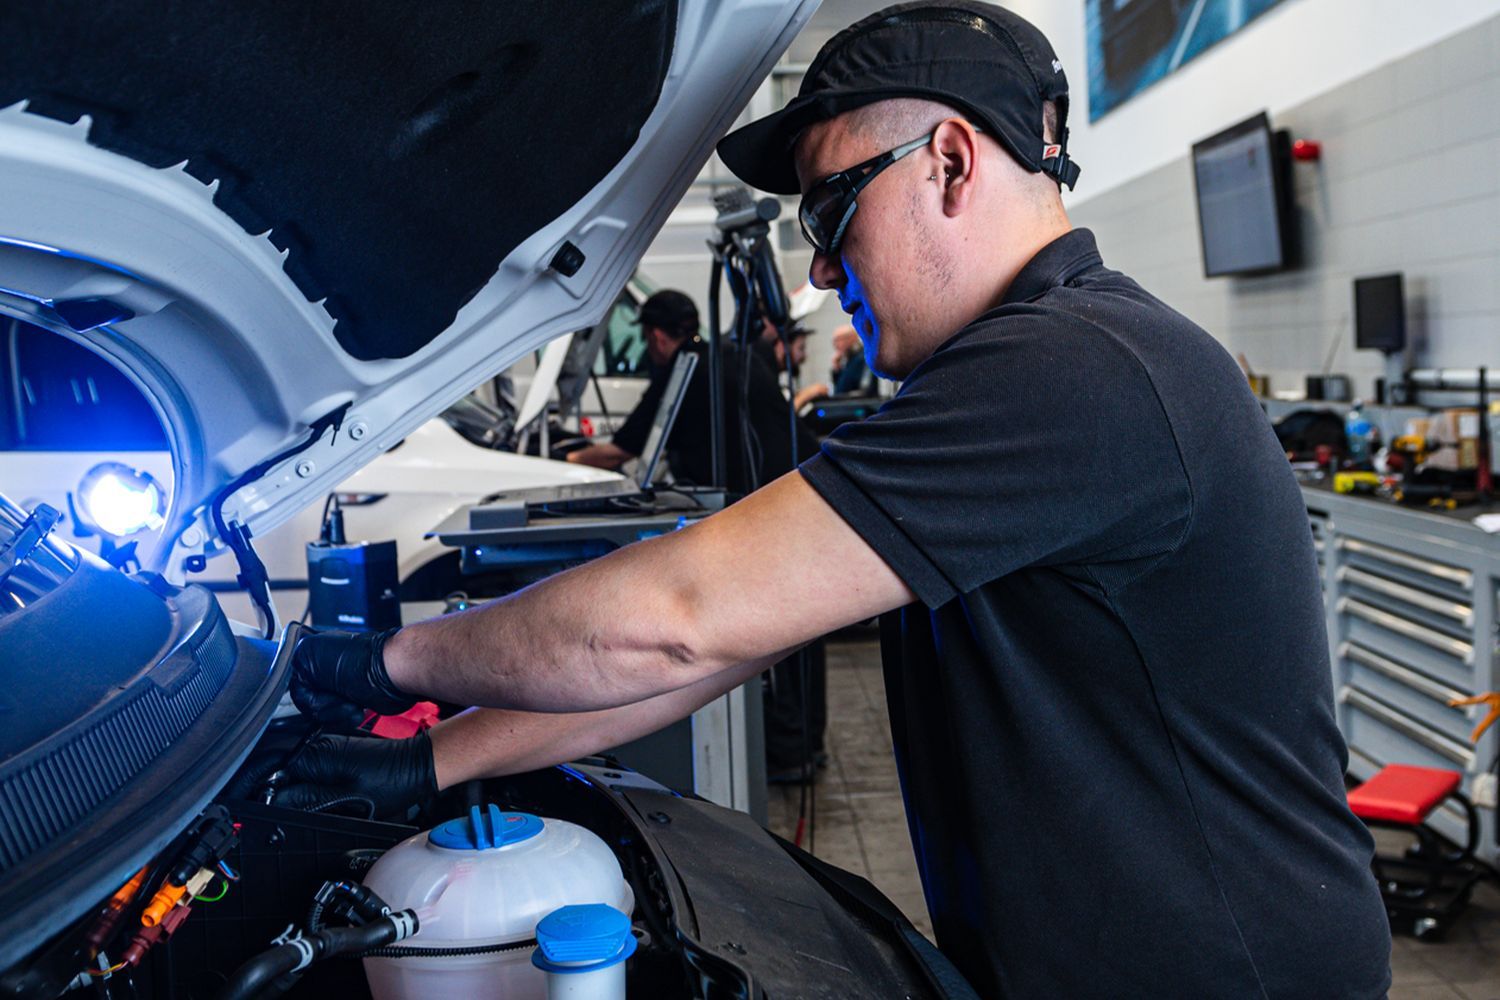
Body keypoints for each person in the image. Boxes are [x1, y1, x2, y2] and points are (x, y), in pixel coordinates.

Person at [282, 4, 1391, 996]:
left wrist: (373, 659)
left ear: (950, 162)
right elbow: (720, 648)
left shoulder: (1078, 369)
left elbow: (678, 621)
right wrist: (431, 758)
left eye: (830, 210)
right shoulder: (1037, 366)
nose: (819, 271)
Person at [564, 289, 814, 493]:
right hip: (801, 479)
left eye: (645, 337)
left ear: (657, 336)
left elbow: (618, 453)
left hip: (761, 496)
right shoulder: (731, 355)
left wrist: (564, 461)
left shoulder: (682, 371)